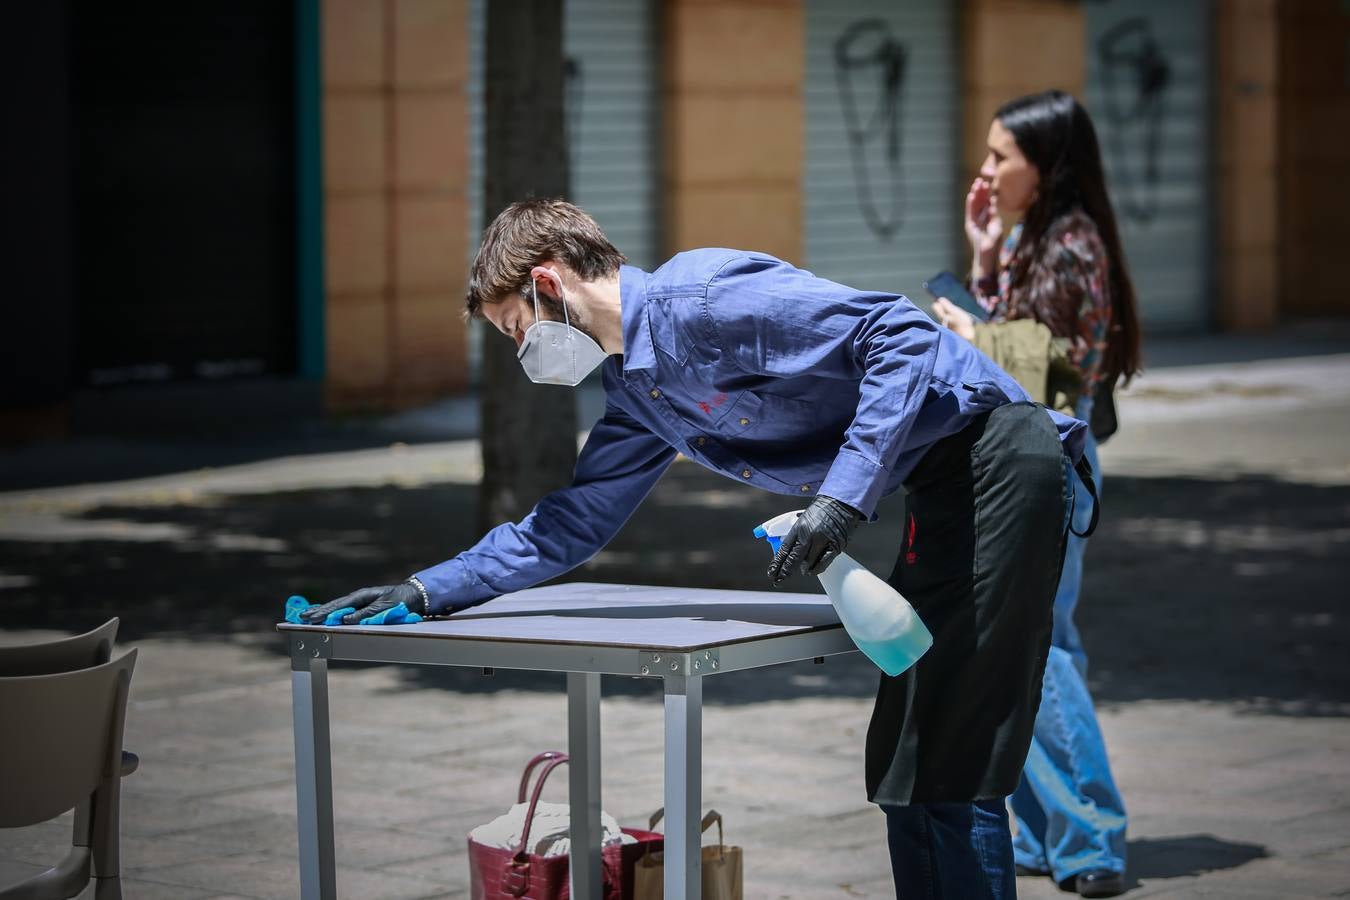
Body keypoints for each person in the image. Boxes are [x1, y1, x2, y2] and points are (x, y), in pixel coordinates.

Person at [303, 198, 1091, 898]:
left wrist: (840, 500)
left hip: (1002, 455)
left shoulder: (704, 296)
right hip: (942, 486)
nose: (522, 355)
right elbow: (572, 522)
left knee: (953, 754)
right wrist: (424, 589)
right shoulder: (635, 392)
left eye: (516, 331)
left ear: (547, 283)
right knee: (910, 762)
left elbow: (898, 334)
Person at [933, 90, 1142, 899]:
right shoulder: (1040, 240)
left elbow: (1049, 378)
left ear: (1044, 166)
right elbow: (1025, 342)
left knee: (1042, 648)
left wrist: (969, 338)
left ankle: (1089, 836)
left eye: (999, 157)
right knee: (1031, 646)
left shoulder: (1073, 246)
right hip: (1033, 459)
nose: (985, 172)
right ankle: (1057, 836)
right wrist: (985, 257)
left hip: (1049, 462)